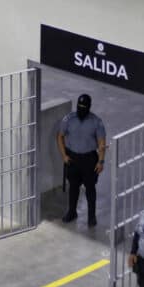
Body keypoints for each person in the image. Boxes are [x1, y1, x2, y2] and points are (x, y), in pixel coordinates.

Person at [57, 93, 106, 226]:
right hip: (72, 158)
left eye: (84, 106)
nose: (81, 108)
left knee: (90, 188)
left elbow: (102, 143)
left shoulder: (96, 122)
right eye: (79, 106)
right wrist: (64, 156)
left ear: (89, 107)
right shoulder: (69, 119)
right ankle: (72, 212)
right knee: (73, 187)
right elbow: (60, 136)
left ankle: (91, 217)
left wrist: (101, 161)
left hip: (89, 159)